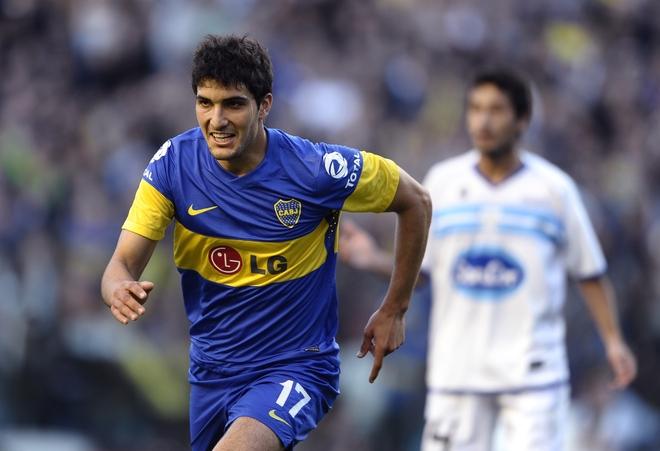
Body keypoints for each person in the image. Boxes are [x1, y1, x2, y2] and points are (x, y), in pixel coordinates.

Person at [100, 35, 431, 451]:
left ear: (265, 105)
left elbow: (416, 201)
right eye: (205, 103)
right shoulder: (174, 165)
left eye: (233, 104)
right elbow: (120, 266)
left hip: (296, 367)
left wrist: (395, 308)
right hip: (211, 374)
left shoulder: (316, 169)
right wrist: (118, 290)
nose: (217, 120)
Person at [339, 69, 637, 451]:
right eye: (476, 109)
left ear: (522, 120)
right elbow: (423, 273)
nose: (483, 121)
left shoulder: (555, 190)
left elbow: (590, 272)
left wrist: (613, 341)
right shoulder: (443, 182)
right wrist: (371, 259)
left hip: (531, 374)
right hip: (458, 370)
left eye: (496, 110)